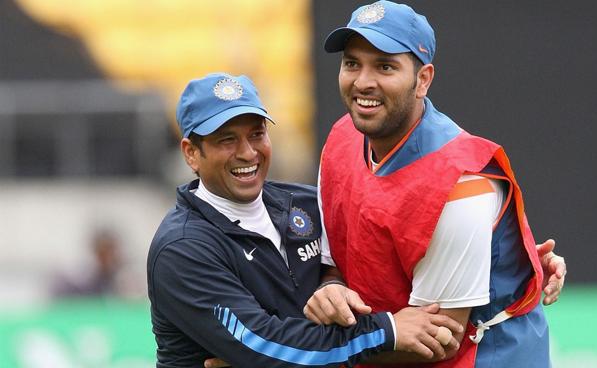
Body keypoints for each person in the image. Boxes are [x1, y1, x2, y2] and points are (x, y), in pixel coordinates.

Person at [147, 72, 469, 368]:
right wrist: (387, 331)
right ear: (191, 153)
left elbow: (359, 268)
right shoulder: (183, 249)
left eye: (257, 134)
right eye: (226, 140)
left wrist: (334, 283)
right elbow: (263, 346)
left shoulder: (307, 202)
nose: (247, 153)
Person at [305, 1, 565, 367]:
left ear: (423, 80)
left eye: (385, 66)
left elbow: (435, 342)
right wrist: (329, 286)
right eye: (352, 63)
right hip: (382, 341)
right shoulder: (342, 137)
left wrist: (292, 355)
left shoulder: (462, 187)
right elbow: (334, 264)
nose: (363, 81)